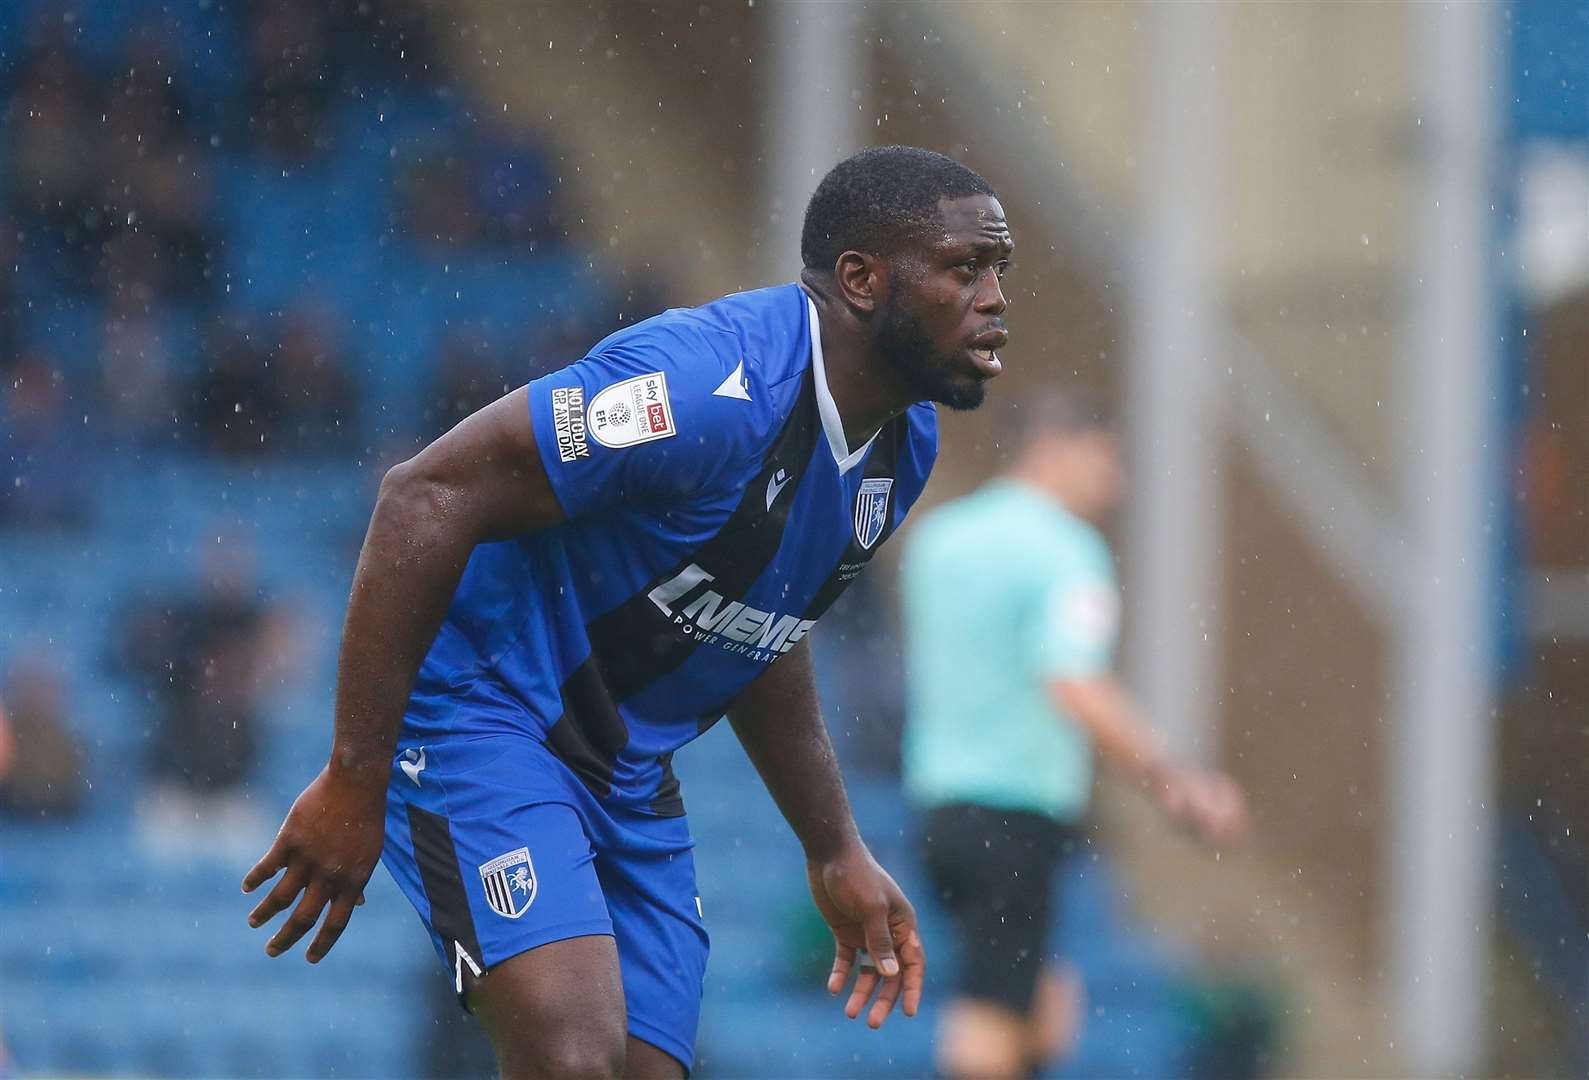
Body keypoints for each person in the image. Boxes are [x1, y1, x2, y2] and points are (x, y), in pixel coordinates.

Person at [244, 145, 1015, 1080]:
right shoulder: (701, 390)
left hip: (625, 772)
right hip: (482, 714)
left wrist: (832, 846)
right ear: (860, 279)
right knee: (573, 1060)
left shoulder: (906, 448)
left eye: (997, 271)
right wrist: (354, 772)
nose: (995, 297)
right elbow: (424, 494)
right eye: (964, 268)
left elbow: (761, 623)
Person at [900, 391, 1249, 1080]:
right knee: (987, 1023)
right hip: (1011, 815)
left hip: (940, 815)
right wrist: (1174, 779)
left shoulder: (940, 540)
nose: (1114, 482)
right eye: (1104, 459)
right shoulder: (1065, 552)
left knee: (1046, 1004)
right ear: (1053, 448)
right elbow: (1072, 681)